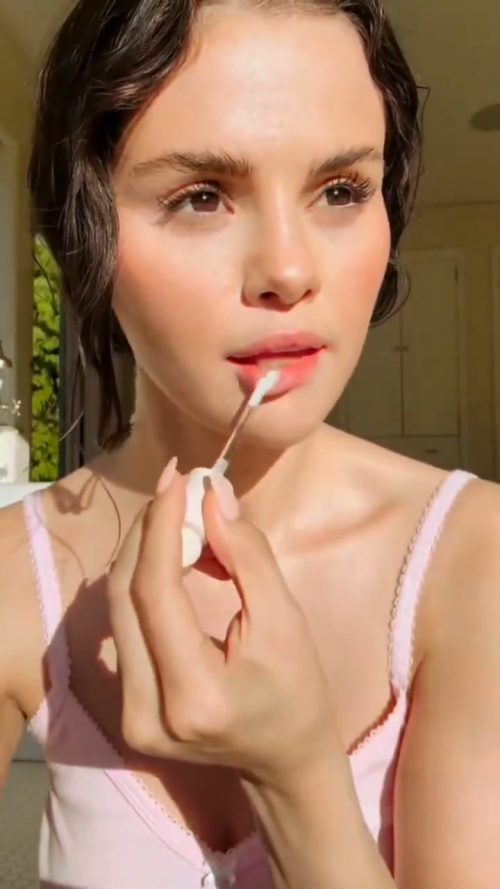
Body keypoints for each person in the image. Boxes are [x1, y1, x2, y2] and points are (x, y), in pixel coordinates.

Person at [1, 0, 499, 886]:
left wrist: (295, 771)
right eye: (202, 196)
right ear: (87, 234)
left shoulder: (477, 557)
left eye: (341, 190)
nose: (290, 271)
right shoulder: (16, 575)